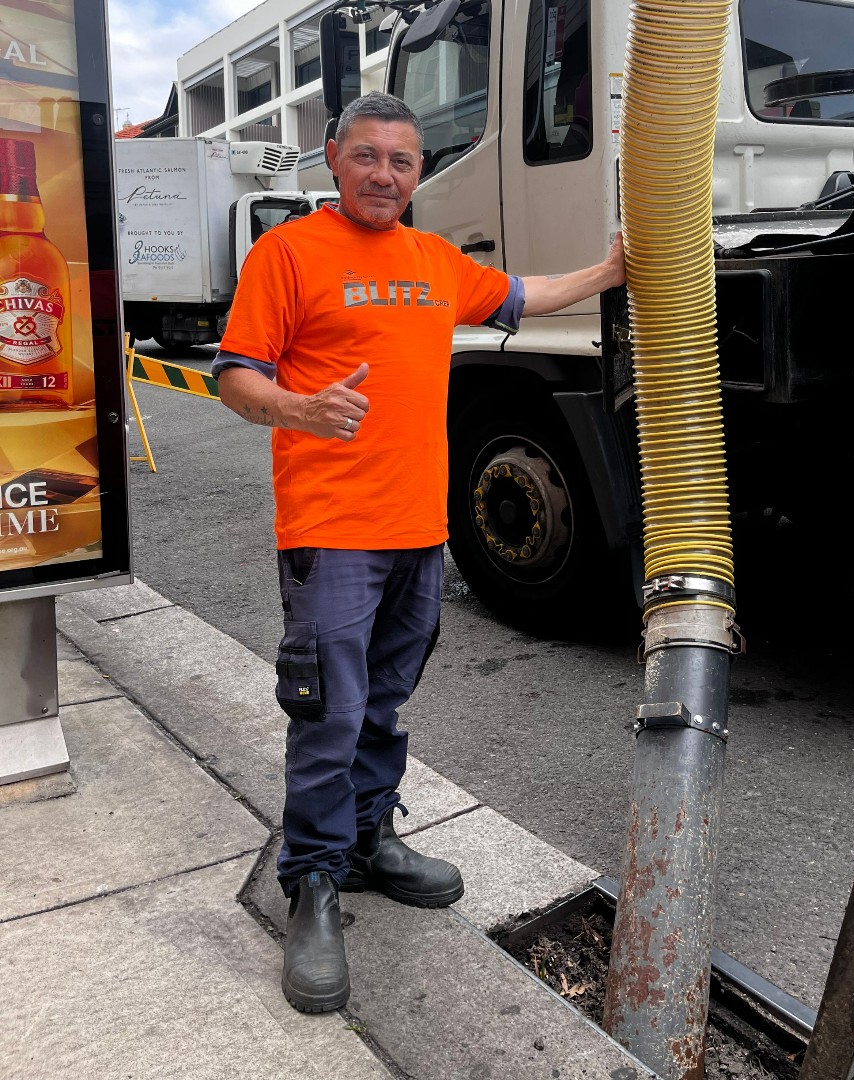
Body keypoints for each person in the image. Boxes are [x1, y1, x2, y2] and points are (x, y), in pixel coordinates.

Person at [212, 91, 625, 1015]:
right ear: (333, 158)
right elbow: (236, 373)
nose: (384, 176)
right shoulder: (288, 254)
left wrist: (609, 269)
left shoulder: (434, 261)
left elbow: (528, 296)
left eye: (401, 162)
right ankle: (311, 880)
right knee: (328, 708)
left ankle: (367, 840)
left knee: (385, 701)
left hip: (419, 532)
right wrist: (300, 409)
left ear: (417, 171)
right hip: (330, 529)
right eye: (367, 157)